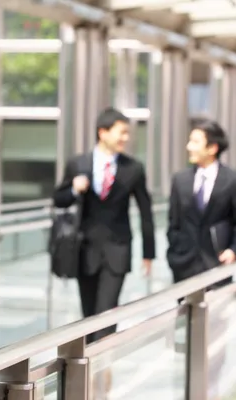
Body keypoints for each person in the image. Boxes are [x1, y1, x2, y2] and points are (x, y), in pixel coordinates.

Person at [53, 107, 155, 343]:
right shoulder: (78, 163)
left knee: (107, 313)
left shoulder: (134, 168)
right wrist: (73, 188)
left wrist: (148, 254)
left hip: (117, 250)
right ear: (103, 132)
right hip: (84, 249)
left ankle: (103, 368)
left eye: (127, 133)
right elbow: (58, 199)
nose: (125, 139)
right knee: (88, 316)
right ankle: (91, 373)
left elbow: (146, 211)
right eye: (121, 133)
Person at [166, 119, 236, 288]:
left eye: (195, 142)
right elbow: (173, 223)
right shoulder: (180, 180)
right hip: (184, 266)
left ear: (212, 148)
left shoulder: (234, 180)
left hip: (217, 264)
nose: (189, 147)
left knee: (214, 313)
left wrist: (234, 251)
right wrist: (175, 255)